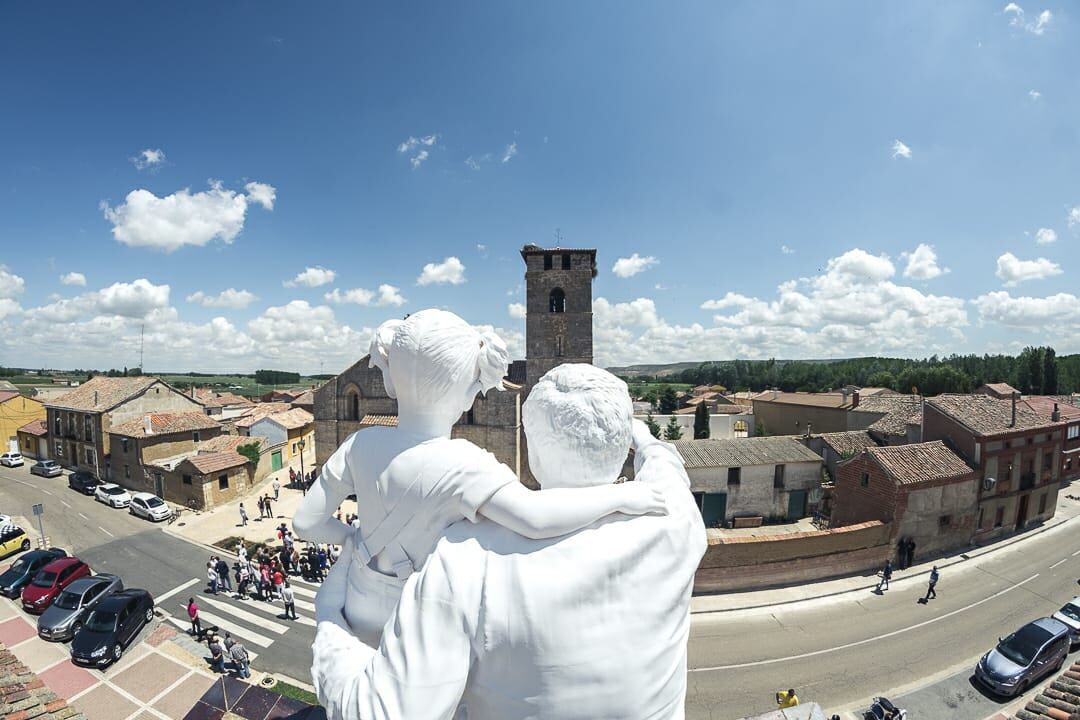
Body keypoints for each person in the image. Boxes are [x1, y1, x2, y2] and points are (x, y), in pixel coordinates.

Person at [311, 364, 703, 720]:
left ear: (532, 451)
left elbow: (379, 714)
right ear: (621, 444)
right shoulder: (677, 517)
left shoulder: (467, 558)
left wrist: (330, 623)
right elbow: (665, 462)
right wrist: (638, 434)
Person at [294, 311, 666, 649]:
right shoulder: (467, 463)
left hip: (359, 605)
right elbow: (537, 519)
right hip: (420, 622)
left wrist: (353, 538)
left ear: (391, 382)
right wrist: (620, 497)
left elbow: (306, 523)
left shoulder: (359, 443)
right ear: (470, 393)